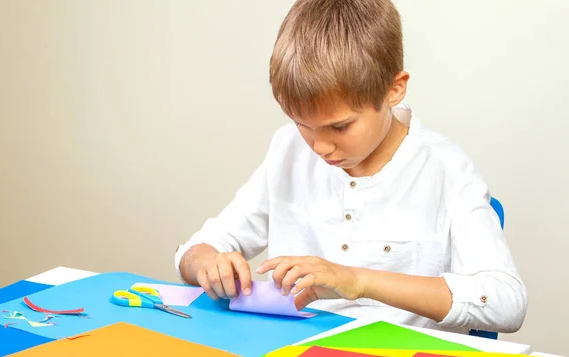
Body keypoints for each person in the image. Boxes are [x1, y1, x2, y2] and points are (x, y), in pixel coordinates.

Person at [174, 0, 527, 333]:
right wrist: (207, 262)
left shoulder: (446, 171)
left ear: (394, 89)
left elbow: (505, 301)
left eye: (339, 127)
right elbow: (201, 247)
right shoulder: (288, 150)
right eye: (303, 124)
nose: (320, 147)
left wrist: (358, 281)